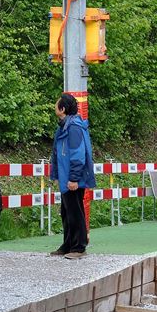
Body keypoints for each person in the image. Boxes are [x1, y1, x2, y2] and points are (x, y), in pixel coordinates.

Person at [50, 93, 96, 259]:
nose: (54, 107)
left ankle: (79, 246)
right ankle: (68, 244)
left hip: (73, 178)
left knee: (75, 212)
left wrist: (74, 178)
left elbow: (77, 155)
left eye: (56, 104)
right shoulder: (65, 126)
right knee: (67, 211)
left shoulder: (74, 127)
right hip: (66, 176)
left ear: (62, 109)